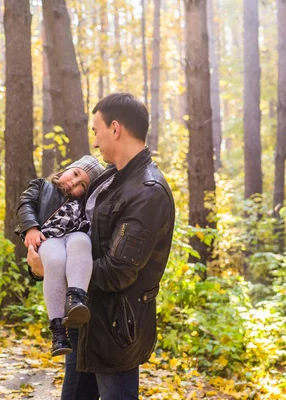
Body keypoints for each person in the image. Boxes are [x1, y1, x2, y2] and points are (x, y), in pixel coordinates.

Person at [27, 93, 175, 399]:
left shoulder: (147, 191)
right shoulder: (111, 178)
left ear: (116, 129)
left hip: (114, 331)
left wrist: (59, 272)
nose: (95, 142)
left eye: (97, 130)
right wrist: (43, 256)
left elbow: (117, 272)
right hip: (86, 322)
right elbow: (66, 226)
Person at [15, 155, 105, 357]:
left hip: (75, 236)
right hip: (48, 237)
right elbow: (25, 204)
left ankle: (76, 299)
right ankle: (57, 331)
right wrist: (31, 228)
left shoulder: (87, 204)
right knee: (55, 261)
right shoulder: (42, 186)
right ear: (68, 168)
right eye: (74, 174)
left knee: (82, 242)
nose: (73, 183)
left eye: (82, 184)